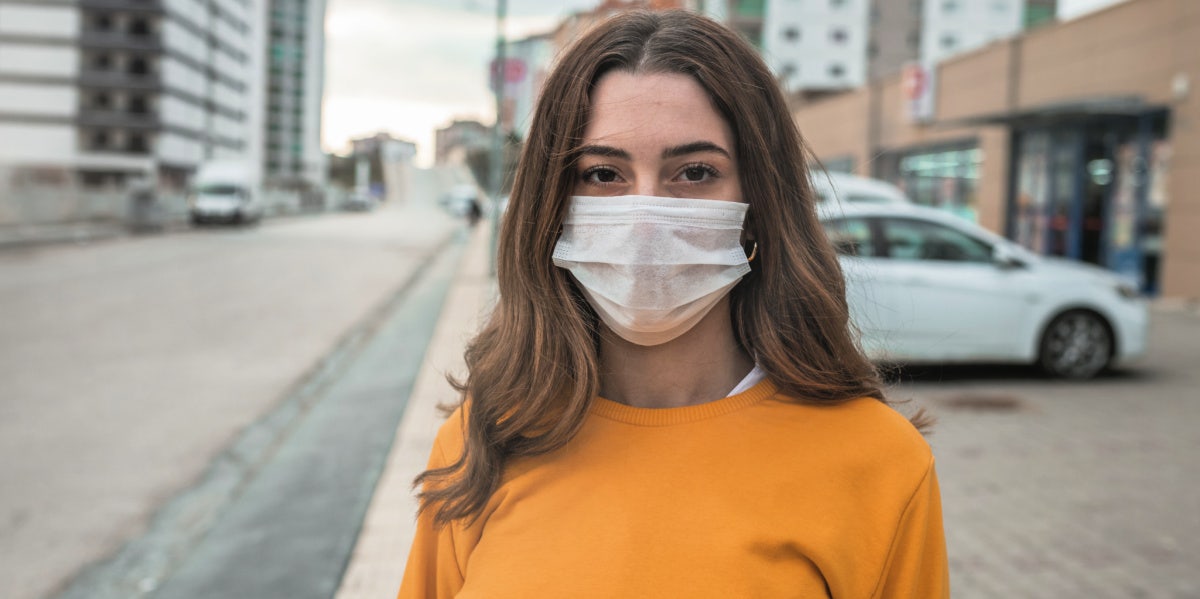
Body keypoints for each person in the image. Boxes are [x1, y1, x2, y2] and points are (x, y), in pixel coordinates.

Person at [399, 10, 948, 598]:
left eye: (694, 172)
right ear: (552, 206)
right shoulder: (480, 442)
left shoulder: (880, 464)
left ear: (759, 202)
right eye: (604, 173)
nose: (645, 222)